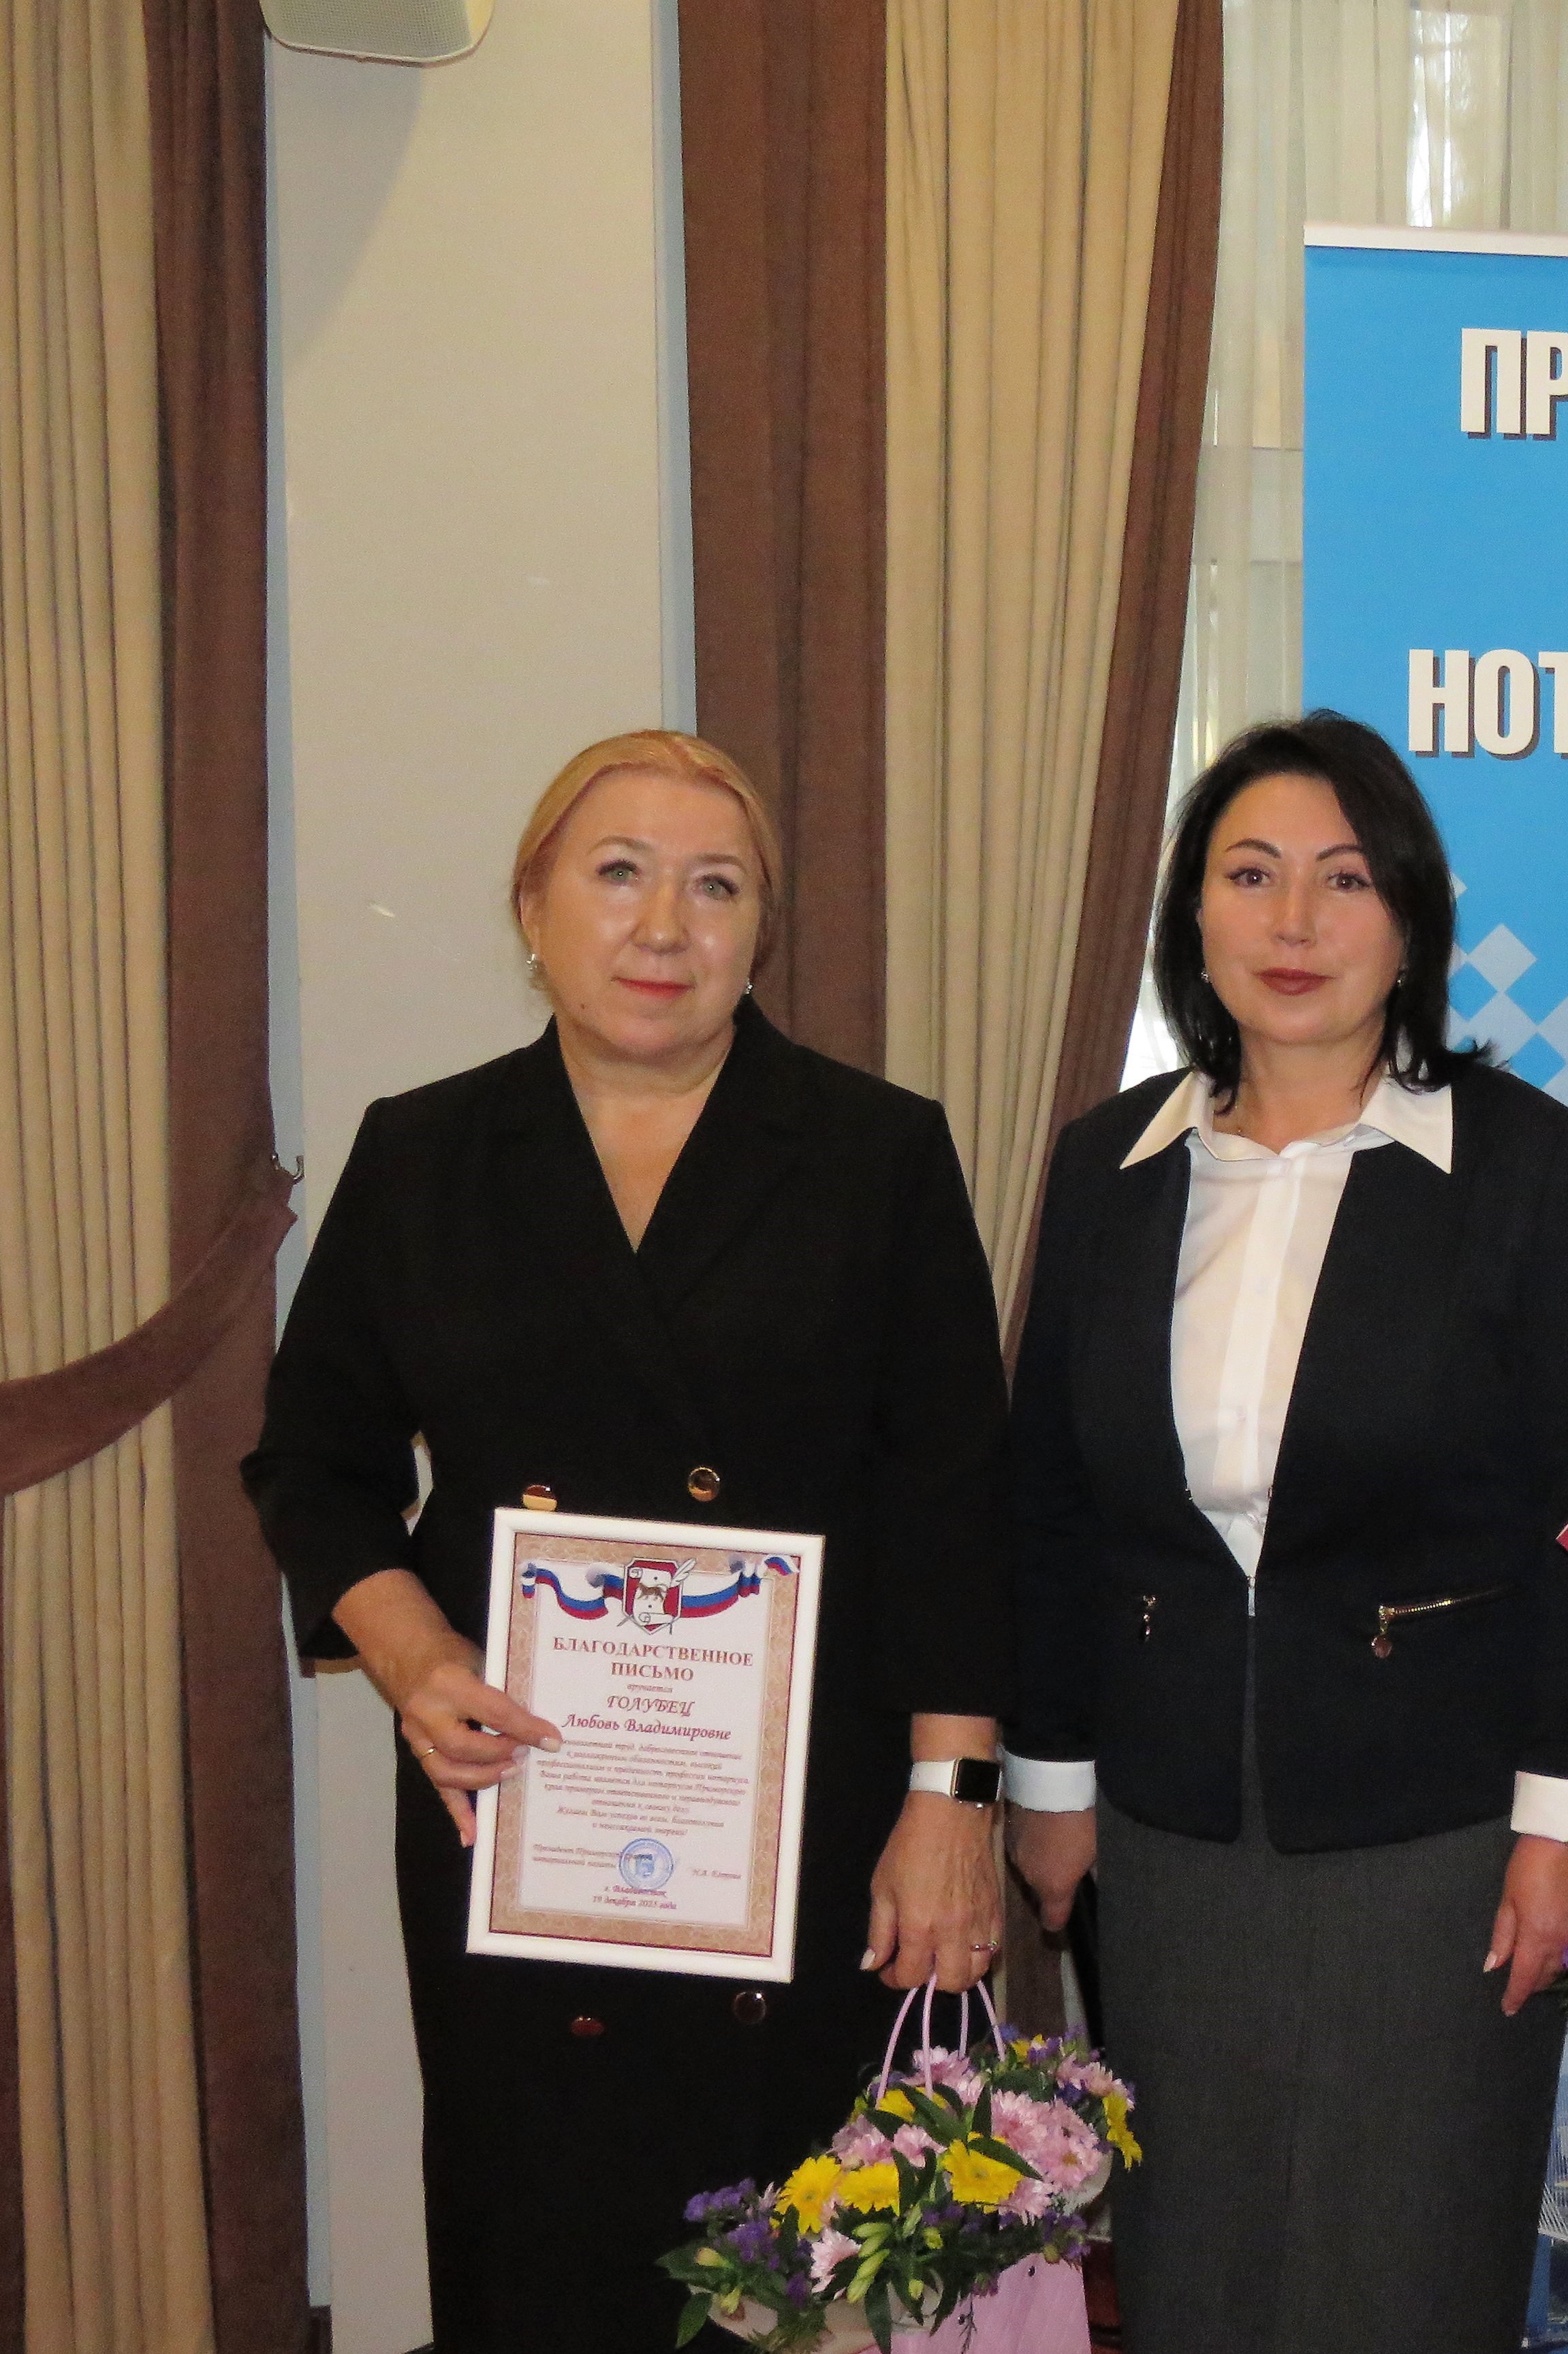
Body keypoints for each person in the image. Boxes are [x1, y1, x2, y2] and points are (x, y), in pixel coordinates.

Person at [243, 731, 1015, 2349]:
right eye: (619, 873)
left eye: (715, 886)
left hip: (808, 1822)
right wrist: (415, 1658)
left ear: (760, 931)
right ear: (534, 906)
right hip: (523, 1805)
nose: (665, 924)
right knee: (540, 2255)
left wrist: (951, 1804)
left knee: (795, 2273)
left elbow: (953, 1496)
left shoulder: (875, 1152)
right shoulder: (426, 1151)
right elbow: (312, 1460)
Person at [1002, 712, 1568, 2354]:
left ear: (1412, 922)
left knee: (1408, 2252)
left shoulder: (1530, 1166)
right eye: (1251, 876)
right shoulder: (1108, 1165)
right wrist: (1050, 1782)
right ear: (1194, 917)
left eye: (1345, 880)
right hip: (1164, 1811)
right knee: (1195, 2247)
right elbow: (1051, 1500)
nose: (1294, 923)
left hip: (1439, 1823)